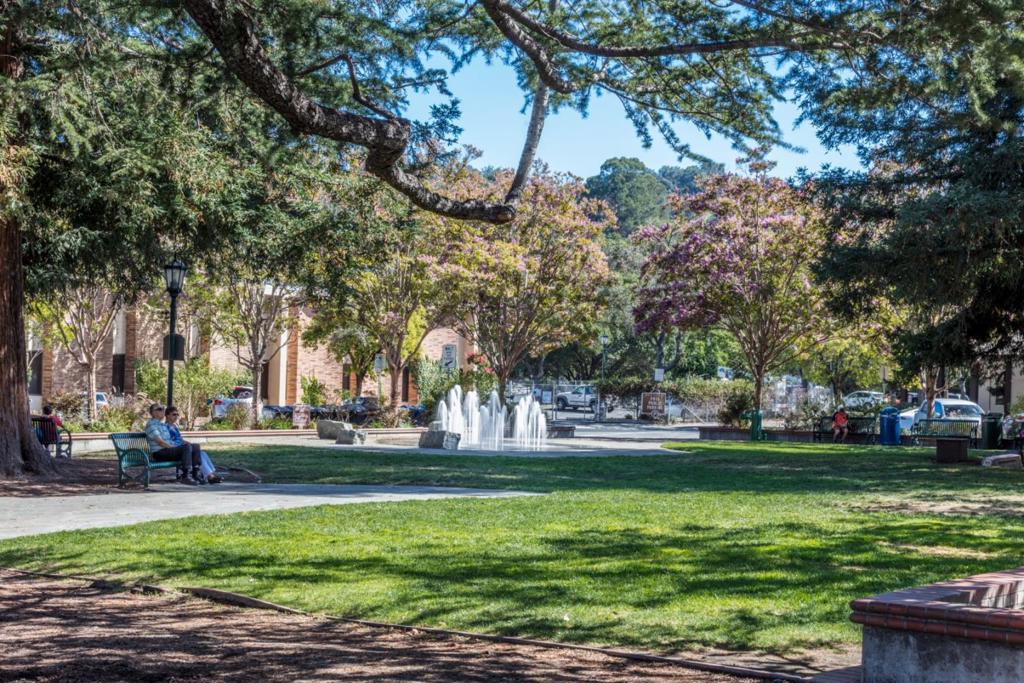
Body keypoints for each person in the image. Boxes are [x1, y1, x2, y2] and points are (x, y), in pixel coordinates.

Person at [144, 404, 202, 485]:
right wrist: (174, 448)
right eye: (160, 409)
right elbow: (160, 442)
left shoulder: (162, 425)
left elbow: (169, 440)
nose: (163, 410)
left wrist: (177, 446)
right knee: (186, 447)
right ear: (153, 413)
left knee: (195, 446)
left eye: (163, 408)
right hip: (159, 453)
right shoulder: (151, 425)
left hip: (167, 450)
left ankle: (195, 474)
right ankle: (186, 476)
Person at [165, 406, 222, 484]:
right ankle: (210, 476)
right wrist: (184, 445)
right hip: (177, 451)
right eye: (174, 414)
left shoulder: (174, 427)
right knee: (199, 454)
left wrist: (187, 443)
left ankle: (210, 475)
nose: (176, 416)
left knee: (202, 453)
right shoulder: (165, 427)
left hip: (183, 448)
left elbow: (179, 439)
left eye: (177, 415)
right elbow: (170, 441)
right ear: (167, 415)